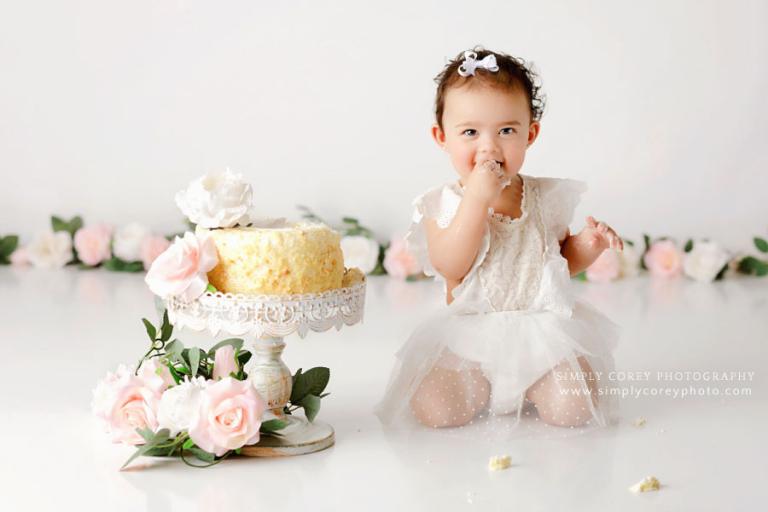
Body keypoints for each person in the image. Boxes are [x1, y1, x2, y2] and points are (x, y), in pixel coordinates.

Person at [376, 48, 624, 436]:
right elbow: (451, 265)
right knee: (437, 410)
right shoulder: (443, 203)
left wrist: (589, 245)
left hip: (541, 335)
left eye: (506, 130)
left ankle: (534, 386)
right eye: (470, 132)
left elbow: (557, 260)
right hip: (469, 340)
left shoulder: (543, 197)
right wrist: (476, 199)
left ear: (531, 133)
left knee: (574, 407)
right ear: (442, 137)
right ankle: (482, 386)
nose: (489, 147)